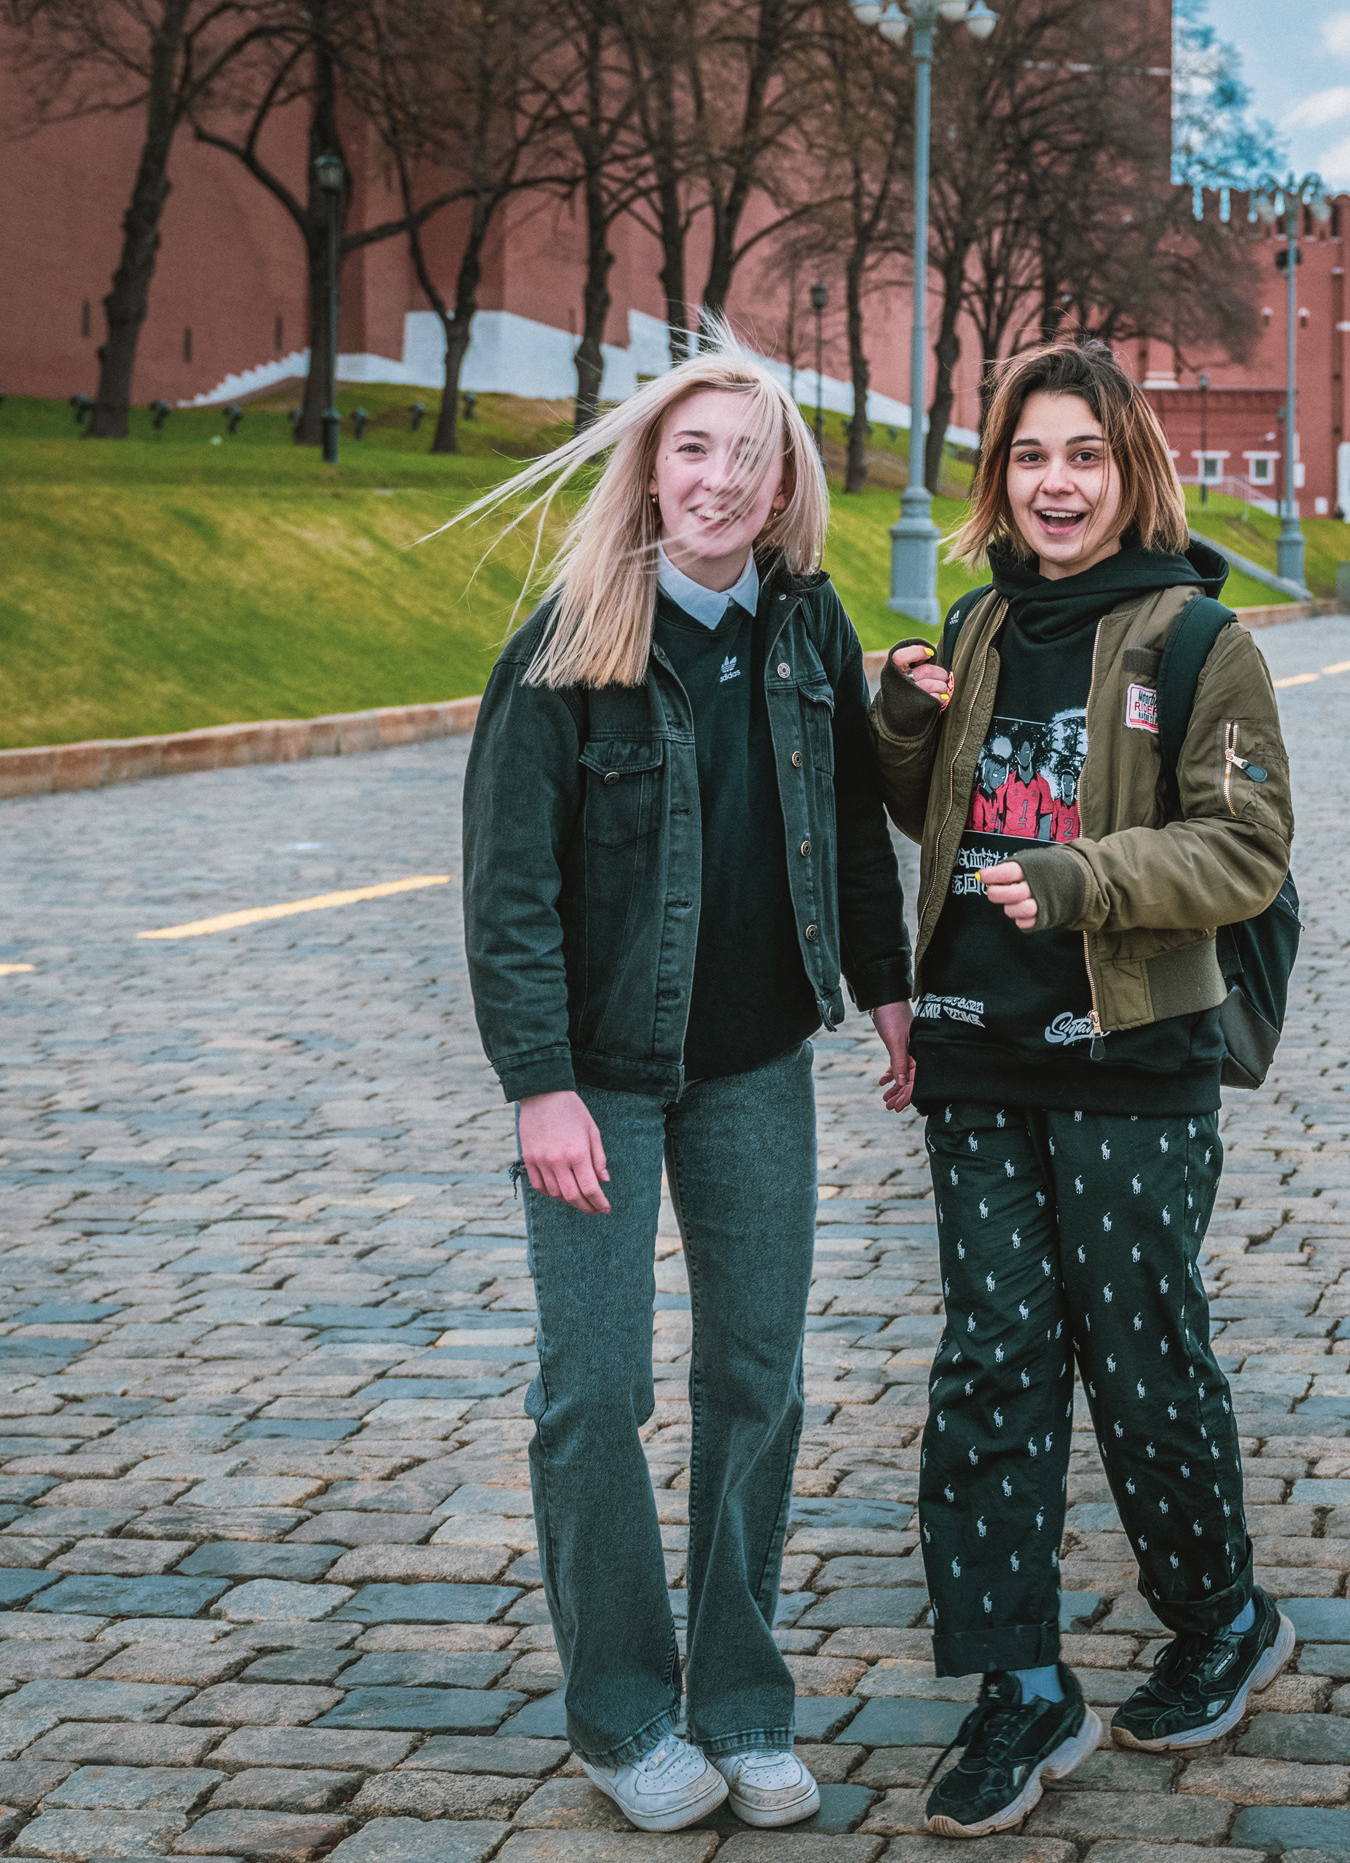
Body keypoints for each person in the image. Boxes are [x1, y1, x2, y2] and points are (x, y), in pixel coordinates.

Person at [458, 350, 914, 1833]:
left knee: (755, 1379)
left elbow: (852, 821)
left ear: (782, 489)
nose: (718, 480)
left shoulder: (806, 626)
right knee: (595, 1389)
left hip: (755, 1063)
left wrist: (888, 987)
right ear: (652, 469)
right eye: (693, 449)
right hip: (599, 1080)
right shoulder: (564, 646)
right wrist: (539, 1086)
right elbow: (509, 894)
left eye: (747, 456)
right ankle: (624, 1715)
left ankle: (738, 1703)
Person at [869, 338, 1297, 1839]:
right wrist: (903, 722)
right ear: (1000, 476)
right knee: (988, 1362)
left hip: (1130, 1056)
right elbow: (939, 810)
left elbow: (1243, 849)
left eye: (1085, 456)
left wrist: (1080, 879)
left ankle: (1221, 1616)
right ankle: (1019, 1683)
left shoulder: (1199, 642)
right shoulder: (978, 621)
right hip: (977, 1047)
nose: (1056, 484)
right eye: (1031, 456)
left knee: (1139, 1350)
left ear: (1132, 471)